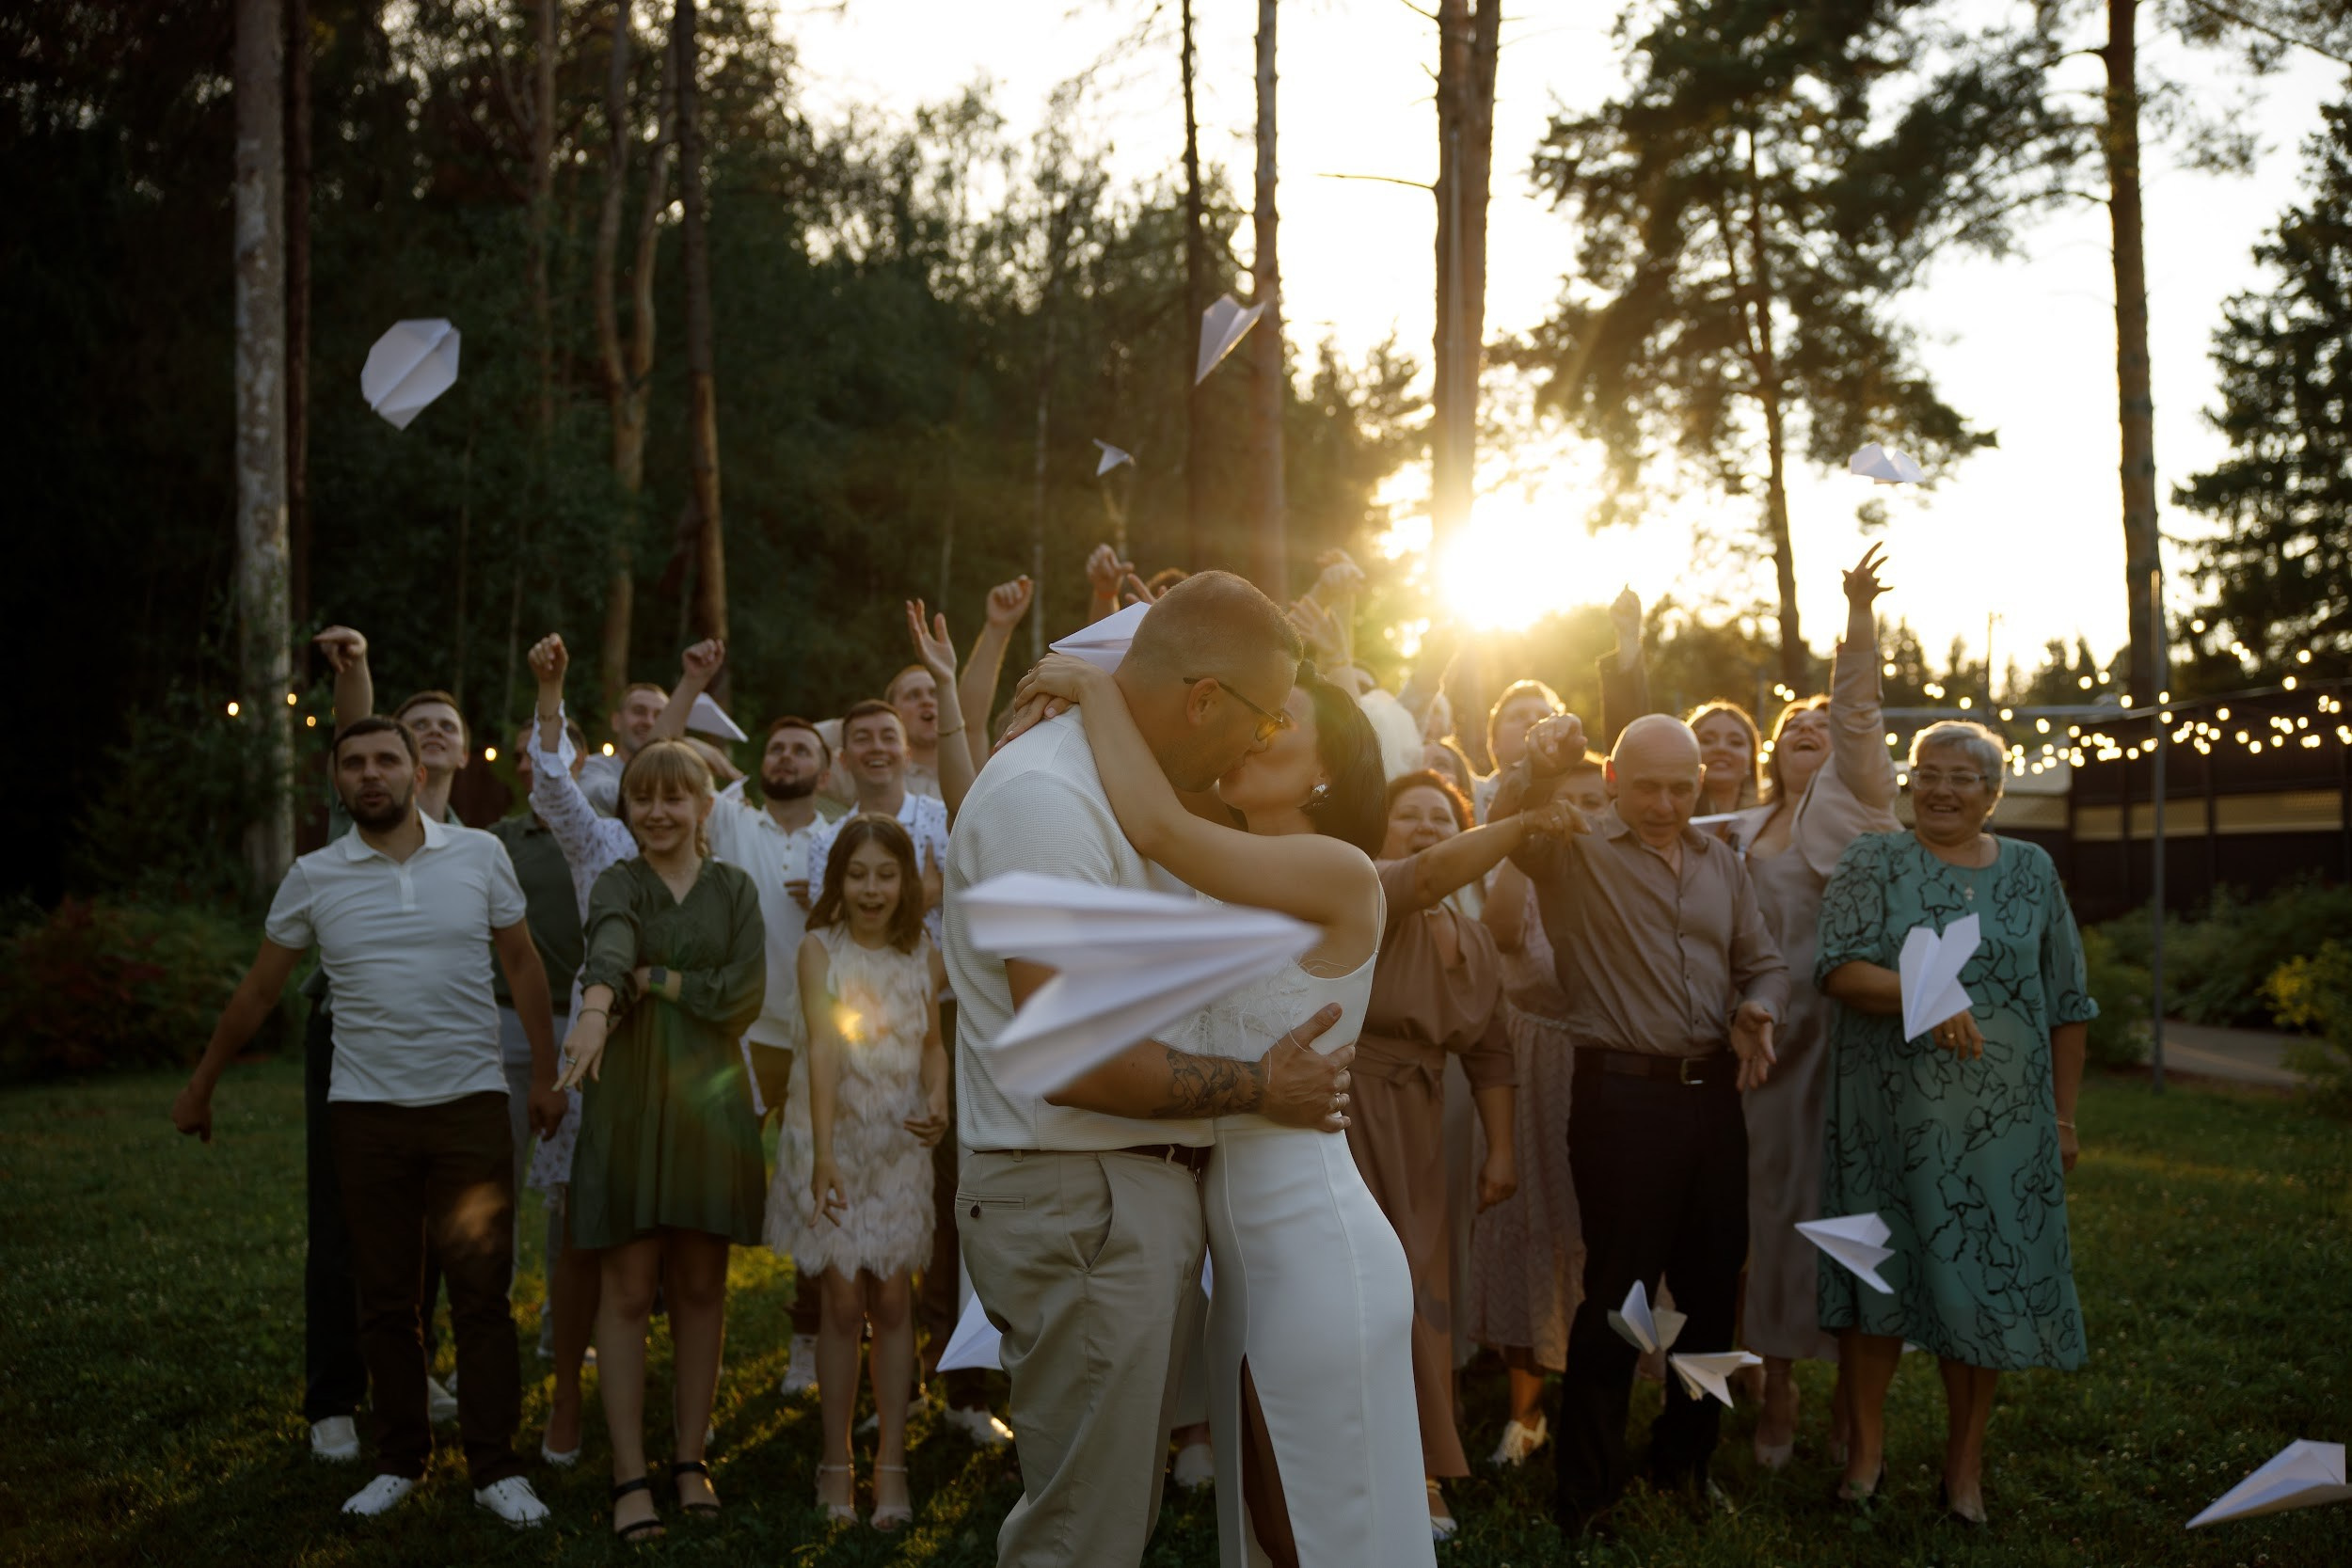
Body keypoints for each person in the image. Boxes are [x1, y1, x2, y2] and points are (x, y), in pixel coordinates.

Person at [1007, 645, 1452, 1568]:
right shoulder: (1216, 874)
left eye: (1281, 721)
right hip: (1238, 1241)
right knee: (1260, 1512)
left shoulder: (1337, 870)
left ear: (1327, 769)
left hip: (1315, 1235)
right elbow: (1069, 831)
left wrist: (1100, 684)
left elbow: (1158, 823)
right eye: (1255, 713)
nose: (1256, 730)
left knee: (1328, 1514)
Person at [943, 570, 1352, 1568]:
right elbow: (1075, 1051)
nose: (1261, 746)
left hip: (1115, 1192)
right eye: (1259, 723)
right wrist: (1263, 1085)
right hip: (1080, 1195)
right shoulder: (1047, 798)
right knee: (1081, 1535)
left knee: (1105, 1519)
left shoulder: (1117, 780)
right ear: (1204, 699)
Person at [170, 716, 564, 1528]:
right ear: (339, 781)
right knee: (385, 1299)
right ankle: (401, 1459)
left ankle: (496, 1469)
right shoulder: (315, 875)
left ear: (418, 772)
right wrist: (202, 1083)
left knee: (483, 1296)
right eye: (354, 763)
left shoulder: (479, 855)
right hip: (366, 1115)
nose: (370, 773)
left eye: (387, 759)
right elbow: (258, 990)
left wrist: (547, 1071)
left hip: (468, 1107)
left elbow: (523, 961)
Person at [1488, 711, 1788, 1536]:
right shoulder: (1572, 851)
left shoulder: (1722, 863)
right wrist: (1530, 764)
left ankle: (1682, 1460)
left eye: (1680, 786)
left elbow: (1760, 959)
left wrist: (1760, 1003)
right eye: (1647, 785)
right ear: (1614, 780)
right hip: (1622, 1100)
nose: (1664, 802)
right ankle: (1587, 1492)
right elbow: (1505, 826)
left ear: (1702, 785)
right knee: (1619, 1296)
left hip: (1713, 1097)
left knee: (1709, 1292)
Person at [1817, 719, 2095, 1524]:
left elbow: (2069, 1003)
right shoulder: (1875, 859)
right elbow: (1835, 966)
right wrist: (1927, 997)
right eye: (1927, 772)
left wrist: (2064, 1119)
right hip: (1886, 1120)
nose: (1940, 788)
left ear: (1993, 793)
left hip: (2004, 1130)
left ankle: (1963, 1469)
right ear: (1908, 782)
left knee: (1986, 1290)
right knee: (1878, 1281)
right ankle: (1865, 1458)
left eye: (1962, 777)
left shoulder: (2033, 871)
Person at [1709, 546, 1900, 1468]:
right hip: (1760, 1041)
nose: (1813, 735)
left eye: (1824, 730)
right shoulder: (1737, 830)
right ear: (1773, 752)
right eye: (1795, 729)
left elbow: (1859, 712)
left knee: (1844, 1215)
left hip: (1844, 1041)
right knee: (1766, 1211)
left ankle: (1842, 1402)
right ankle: (1775, 1380)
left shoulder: (1854, 804)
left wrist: (1856, 619)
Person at [555, 739, 768, 1544]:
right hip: (631, 1103)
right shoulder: (620, 883)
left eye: (675, 797)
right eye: (642, 798)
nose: (656, 811)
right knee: (628, 1288)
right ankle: (629, 1472)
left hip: (708, 1107)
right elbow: (609, 945)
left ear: (704, 806)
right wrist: (602, 1002)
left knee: (703, 1286)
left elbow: (742, 995)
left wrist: (660, 981)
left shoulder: (735, 890)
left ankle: (689, 1459)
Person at [1355, 768, 1542, 1537]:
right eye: (1410, 815)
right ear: (1380, 829)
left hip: (1424, 1124)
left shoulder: (1471, 939)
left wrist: (1500, 1150)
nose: (1427, 826)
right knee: (1355, 1293)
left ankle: (1422, 1469)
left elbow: (1494, 1053)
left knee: (1424, 1297)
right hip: (1345, 1109)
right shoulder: (1361, 898)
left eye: (1443, 815)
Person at [769, 816, 950, 1530]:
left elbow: (934, 1044)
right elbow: (821, 1049)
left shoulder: (923, 951)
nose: (872, 888)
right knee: (842, 1304)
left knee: (896, 1302)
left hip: (900, 1143)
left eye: (885, 873)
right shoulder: (820, 951)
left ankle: (892, 1464)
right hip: (834, 1138)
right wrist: (823, 1153)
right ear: (836, 882)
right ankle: (836, 1459)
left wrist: (938, 1096)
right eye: (858, 873)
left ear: (906, 882)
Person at [1470, 751, 1606, 1467]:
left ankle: (1598, 1396)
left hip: (1607, 1063)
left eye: (1597, 798)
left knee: (1598, 1235)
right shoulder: (1525, 869)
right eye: (1572, 799)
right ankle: (1525, 1413)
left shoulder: (1625, 873)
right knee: (1531, 1227)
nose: (1586, 812)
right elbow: (1499, 932)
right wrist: (1527, 846)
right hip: (1537, 1059)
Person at [486, 721, 587, 1341]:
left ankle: (565, 1323)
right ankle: (487, 1324)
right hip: (510, 1027)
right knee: (496, 1181)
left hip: (589, 1028)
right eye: (521, 755)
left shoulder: (605, 833)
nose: (528, 764)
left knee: (571, 1189)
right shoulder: (497, 839)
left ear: (574, 761)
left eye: (542, 752)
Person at [1478, 679, 1565, 820]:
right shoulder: (1471, 794)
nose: (1532, 721)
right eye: (1518, 716)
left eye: (1544, 717)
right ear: (1495, 744)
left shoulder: (1577, 793)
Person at [580, 680, 668, 816]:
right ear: (616, 721)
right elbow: (601, 795)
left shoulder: (681, 773)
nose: (649, 722)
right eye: (639, 712)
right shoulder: (593, 767)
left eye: (659, 716)